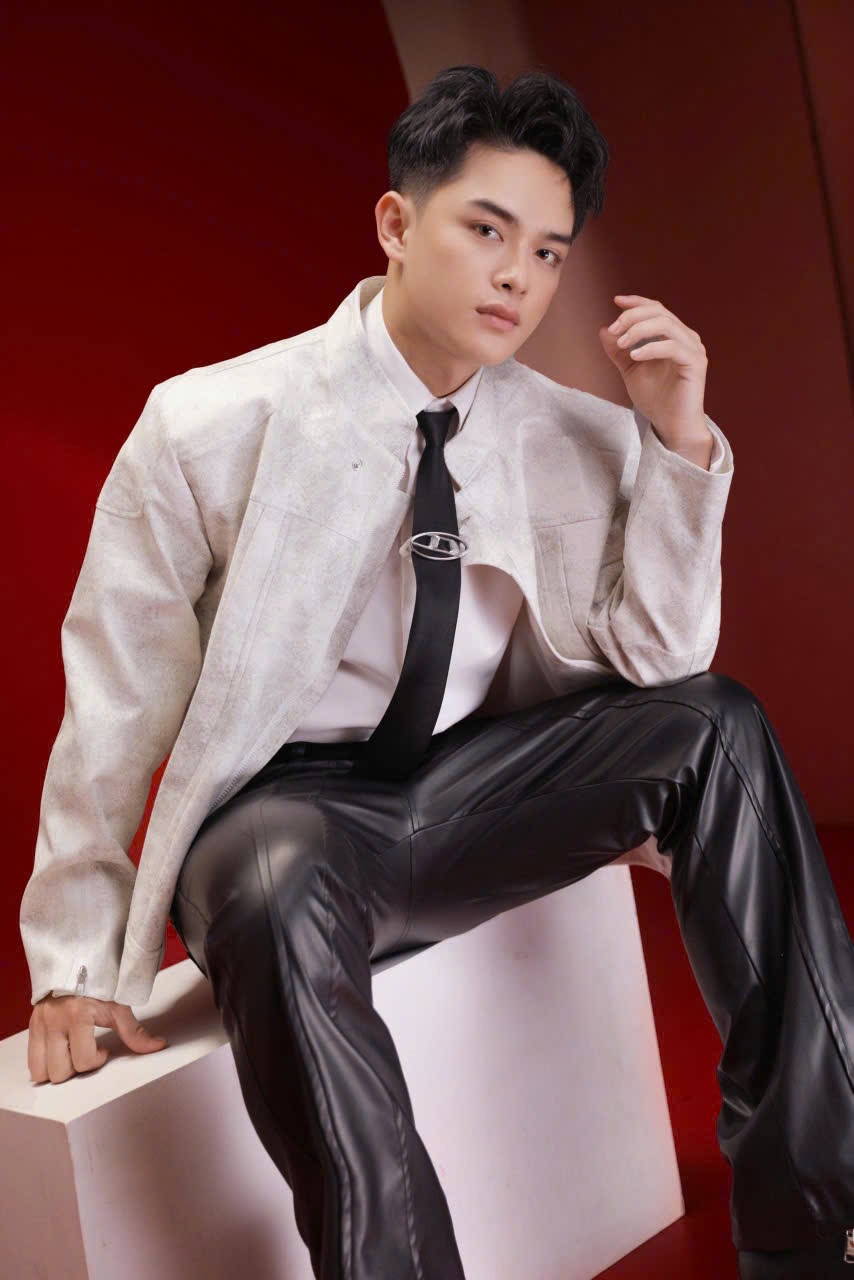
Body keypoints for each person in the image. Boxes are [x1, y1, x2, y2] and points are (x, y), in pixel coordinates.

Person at [20, 64, 854, 1279]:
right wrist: (75, 967)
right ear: (395, 224)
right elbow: (113, 702)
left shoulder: (572, 429)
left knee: (715, 723)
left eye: (548, 252)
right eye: (486, 230)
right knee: (273, 875)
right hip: (289, 816)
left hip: (469, 787)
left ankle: (811, 1226)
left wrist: (676, 439)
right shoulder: (208, 423)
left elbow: (663, 662)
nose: (518, 276)